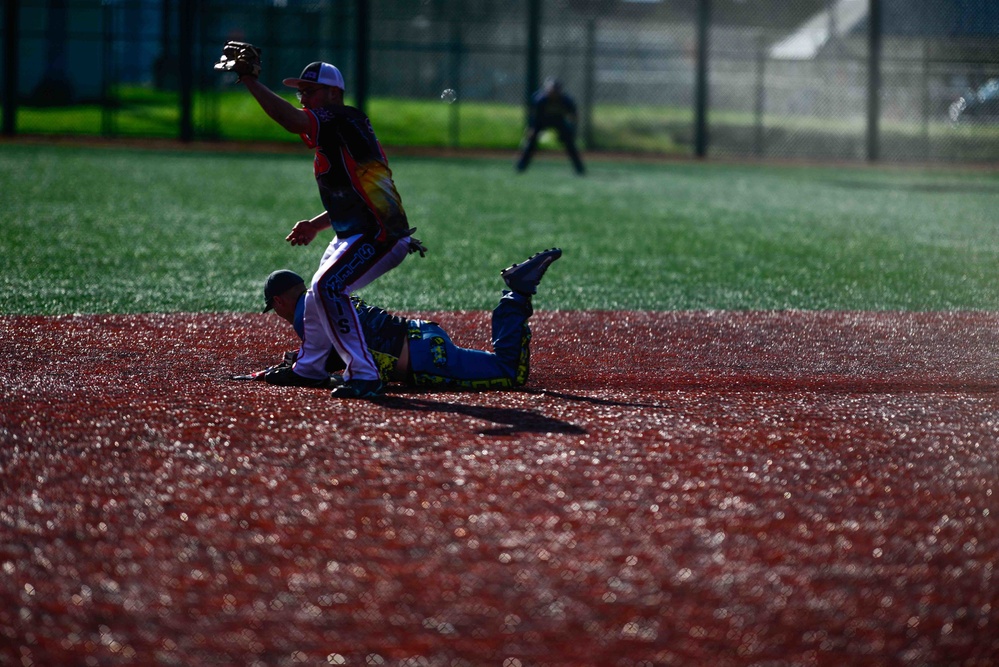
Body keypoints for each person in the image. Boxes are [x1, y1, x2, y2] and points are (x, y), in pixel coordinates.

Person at [236, 58, 424, 398]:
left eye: (310, 91)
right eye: (301, 92)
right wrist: (316, 224)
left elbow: (292, 121)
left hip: (380, 233)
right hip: (359, 231)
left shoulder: (342, 117)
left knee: (329, 287)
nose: (303, 98)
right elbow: (353, 195)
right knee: (316, 295)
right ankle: (309, 368)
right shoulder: (339, 128)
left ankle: (365, 375)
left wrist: (249, 81)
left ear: (334, 93)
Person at [246, 249, 563, 394]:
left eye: (274, 309)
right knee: (498, 366)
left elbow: (320, 366)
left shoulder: (304, 315)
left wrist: (291, 369)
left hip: (424, 360)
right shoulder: (325, 299)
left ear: (278, 301)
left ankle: (517, 294)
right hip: (420, 335)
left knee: (510, 372)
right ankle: (515, 296)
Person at [515, 78, 585, 175]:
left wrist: (572, 130)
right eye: (551, 90)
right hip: (541, 121)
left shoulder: (566, 100)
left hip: (558, 121)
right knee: (531, 141)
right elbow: (534, 116)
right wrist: (531, 128)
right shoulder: (540, 100)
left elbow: (574, 116)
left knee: (569, 142)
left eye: (555, 90)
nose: (553, 93)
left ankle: (579, 168)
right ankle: (521, 166)